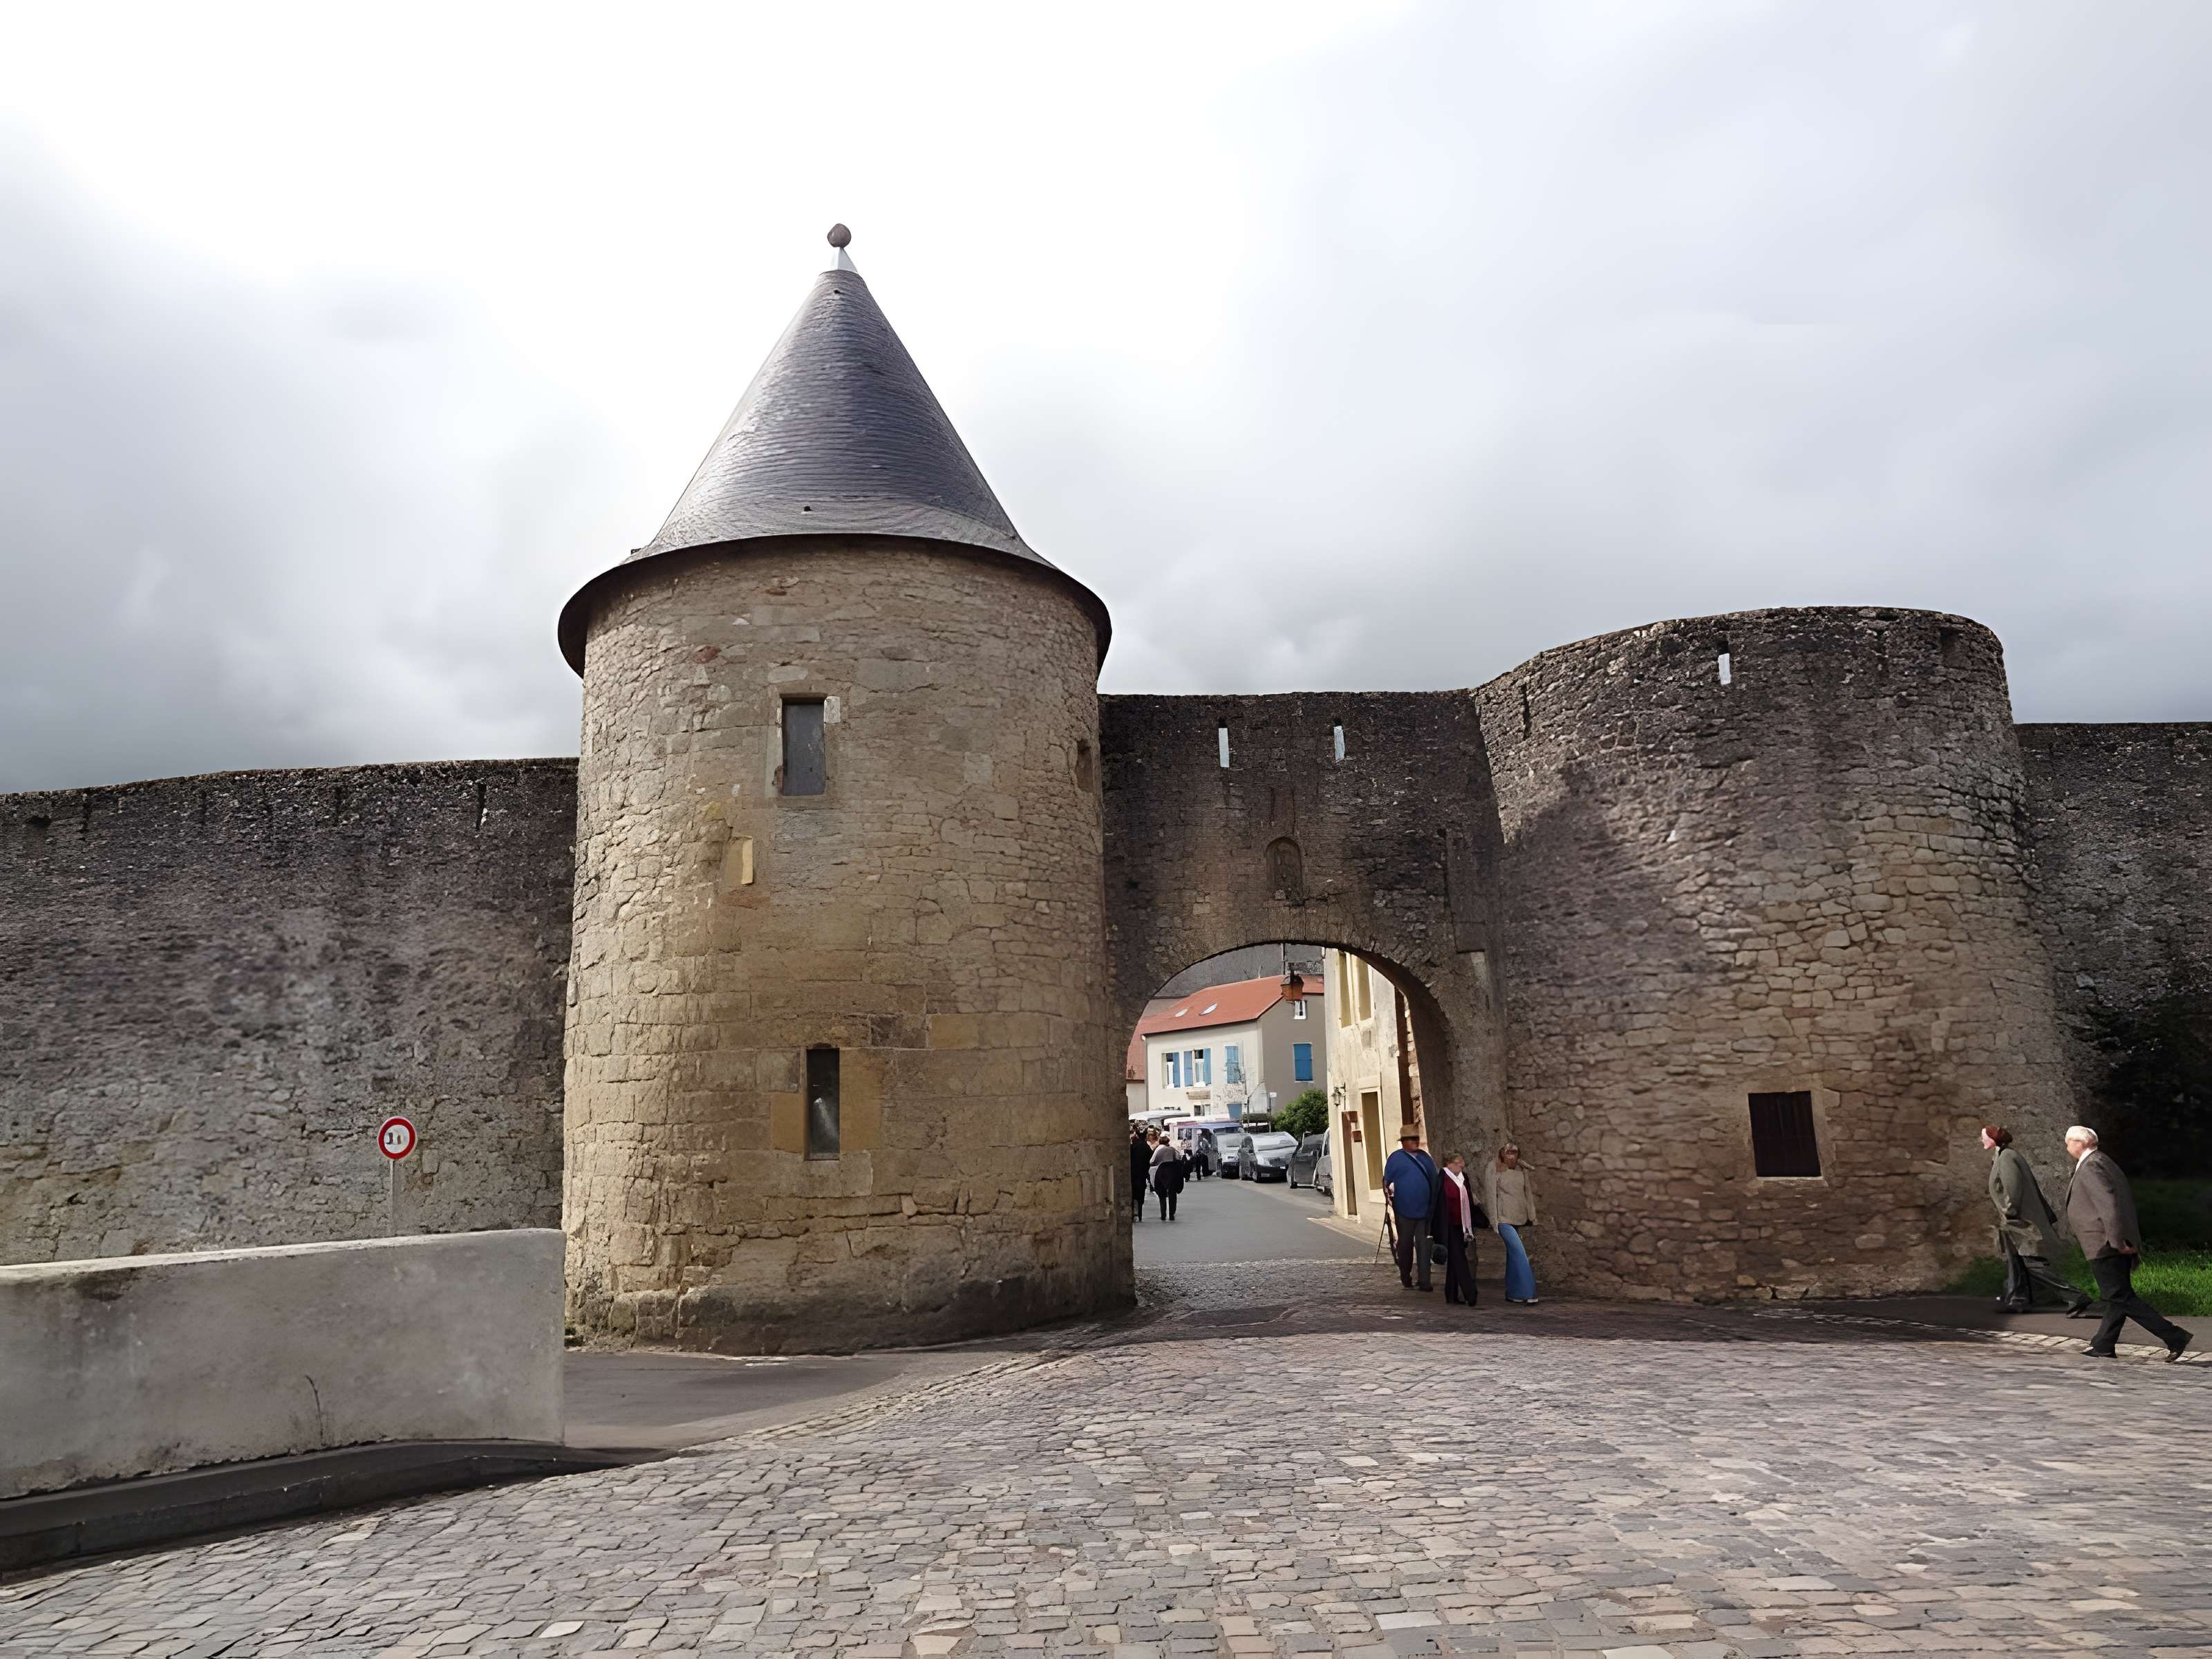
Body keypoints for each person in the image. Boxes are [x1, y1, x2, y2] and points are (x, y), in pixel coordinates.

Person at [2062, 1125, 2191, 1362]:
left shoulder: (2092, 1165)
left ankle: (2175, 1336)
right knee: (2116, 1296)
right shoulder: (2102, 1161)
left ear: (2079, 1143)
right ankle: (2103, 1344)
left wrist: (2117, 1241)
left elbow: (2108, 1205)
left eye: (2068, 1142)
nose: (2067, 1146)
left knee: (2120, 1297)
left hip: (2104, 1243)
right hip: (2109, 1240)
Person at [1983, 1125, 2090, 1315]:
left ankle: (2075, 1296)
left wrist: (2009, 1212)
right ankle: (2018, 1300)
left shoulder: (2007, 1157)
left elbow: (2013, 1189)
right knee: (2016, 1261)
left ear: (1993, 1140)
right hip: (2012, 1222)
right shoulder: (2001, 1156)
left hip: (2020, 1222)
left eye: (1984, 1137)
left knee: (2032, 1263)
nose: (1982, 1140)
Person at [1382, 1127, 1439, 1291]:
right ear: (1404, 1142)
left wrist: (1434, 1205)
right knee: (1405, 1245)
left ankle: (1424, 1280)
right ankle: (1405, 1275)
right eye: (1411, 1139)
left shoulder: (1425, 1158)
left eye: (1416, 1138)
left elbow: (1435, 1181)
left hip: (1425, 1211)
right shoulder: (1396, 1159)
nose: (1415, 1141)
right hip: (1404, 1210)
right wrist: (1389, 1199)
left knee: (1424, 1245)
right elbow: (1387, 1182)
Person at [1485, 1143, 1539, 1304]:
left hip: (1518, 1217)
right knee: (1520, 1254)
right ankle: (1527, 1292)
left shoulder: (1522, 1172)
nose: (1512, 1156)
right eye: (1508, 1153)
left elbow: (1527, 1195)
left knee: (1513, 1256)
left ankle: (1513, 1292)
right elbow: (1490, 1195)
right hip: (1503, 1219)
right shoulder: (1494, 1170)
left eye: (1514, 1153)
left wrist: (1532, 1216)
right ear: (1502, 1154)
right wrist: (1494, 1220)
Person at [1437, 1152, 1481, 1306]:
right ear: (1449, 1164)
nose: (1461, 1165)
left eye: (1462, 1162)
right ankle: (1471, 1294)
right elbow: (1436, 1204)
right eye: (1458, 1162)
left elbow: (1468, 1199)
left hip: (1462, 1225)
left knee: (1455, 1261)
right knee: (1459, 1259)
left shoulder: (1464, 1178)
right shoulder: (1442, 1179)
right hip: (1448, 1226)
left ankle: (1451, 1295)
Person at [1149, 1128, 1185, 1221]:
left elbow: (1152, 1162)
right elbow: (1178, 1160)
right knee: (1172, 1193)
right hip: (1173, 1171)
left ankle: (1163, 1214)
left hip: (1162, 1171)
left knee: (1162, 1194)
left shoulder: (1159, 1150)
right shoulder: (1173, 1150)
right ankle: (1172, 1213)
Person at [1129, 1127, 1152, 1224]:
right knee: (1141, 1193)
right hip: (1142, 1173)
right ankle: (1140, 1213)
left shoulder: (1133, 1147)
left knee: (1133, 1193)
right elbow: (1150, 1160)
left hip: (1133, 1173)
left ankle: (1133, 1212)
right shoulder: (1146, 1148)